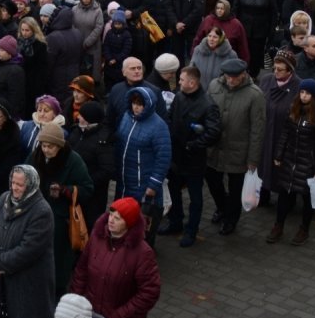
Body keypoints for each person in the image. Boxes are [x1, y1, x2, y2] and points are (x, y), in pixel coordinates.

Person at [71, 197, 161, 318]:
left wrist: (119, 317)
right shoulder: (97, 237)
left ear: (129, 223)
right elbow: (81, 270)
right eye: (111, 214)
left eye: (117, 218)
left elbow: (150, 292)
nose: (111, 220)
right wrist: (76, 301)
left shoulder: (143, 253)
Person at [0, 164, 55, 318]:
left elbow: (28, 249)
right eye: (13, 182)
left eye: (20, 185)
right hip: (3, 284)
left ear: (31, 185)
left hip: (28, 288)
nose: (14, 188)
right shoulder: (3, 200)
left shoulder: (41, 211)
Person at [29, 121, 94, 297]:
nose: (46, 150)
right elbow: (26, 174)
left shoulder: (73, 160)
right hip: (35, 215)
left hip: (60, 222)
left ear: (59, 145)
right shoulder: (37, 156)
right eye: (43, 145)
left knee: (58, 264)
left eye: (50, 146)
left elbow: (88, 188)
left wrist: (66, 190)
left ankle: (58, 294)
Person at [160, 66, 221, 247]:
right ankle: (175, 222)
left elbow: (213, 133)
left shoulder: (208, 105)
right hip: (176, 156)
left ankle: (191, 230)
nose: (178, 82)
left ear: (192, 83)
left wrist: (193, 145)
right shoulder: (179, 96)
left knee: (195, 198)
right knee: (173, 190)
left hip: (194, 159)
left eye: (181, 80)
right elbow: (170, 117)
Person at [206, 58, 266, 236]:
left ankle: (231, 218)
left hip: (239, 150)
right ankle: (222, 207)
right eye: (228, 76)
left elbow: (258, 129)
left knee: (235, 188)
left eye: (235, 77)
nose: (231, 80)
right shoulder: (214, 86)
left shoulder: (255, 95)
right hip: (215, 147)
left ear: (244, 74)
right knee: (212, 181)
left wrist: (253, 159)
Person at [267, 79, 315, 246]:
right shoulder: (293, 110)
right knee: (284, 195)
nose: (303, 96)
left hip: (307, 163)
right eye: (302, 92)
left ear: (314, 96)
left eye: (307, 93)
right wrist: (279, 154)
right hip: (290, 161)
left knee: (307, 198)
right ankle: (278, 226)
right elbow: (285, 133)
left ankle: (304, 229)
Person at [114, 86, 171, 246]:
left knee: (144, 231)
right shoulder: (127, 117)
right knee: (124, 224)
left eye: (140, 104)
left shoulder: (159, 126)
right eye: (134, 103)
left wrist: (153, 185)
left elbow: (163, 158)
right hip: (125, 184)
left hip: (143, 187)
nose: (136, 107)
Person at [258, 49, 300, 205]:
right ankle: (263, 193)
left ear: (290, 70)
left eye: (280, 70)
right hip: (266, 131)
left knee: (284, 169)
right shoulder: (266, 80)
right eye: (274, 68)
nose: (276, 72)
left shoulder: (298, 86)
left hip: (285, 135)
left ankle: (287, 199)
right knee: (263, 163)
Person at [67, 100, 115, 233]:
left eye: (82, 115)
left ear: (89, 119)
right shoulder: (76, 131)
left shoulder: (102, 141)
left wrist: (85, 182)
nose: (78, 117)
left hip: (93, 196)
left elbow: (107, 170)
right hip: (73, 190)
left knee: (89, 227)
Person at [233, 0, 278, 79]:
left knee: (256, 52)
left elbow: (273, 11)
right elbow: (236, 6)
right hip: (244, 25)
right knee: (243, 49)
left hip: (261, 27)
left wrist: (271, 29)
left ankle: (253, 74)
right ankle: (242, 71)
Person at [0, 35, 25, 118]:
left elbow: (15, 98)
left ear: (10, 53)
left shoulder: (15, 71)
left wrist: (8, 116)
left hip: (2, 115)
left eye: (2, 50)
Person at [190, 25, 239, 90]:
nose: (211, 39)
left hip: (220, 92)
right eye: (209, 36)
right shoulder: (198, 50)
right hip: (200, 90)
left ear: (221, 39)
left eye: (215, 37)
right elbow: (191, 69)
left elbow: (234, 75)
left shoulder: (231, 54)